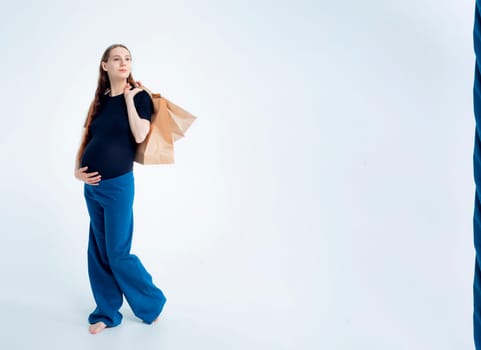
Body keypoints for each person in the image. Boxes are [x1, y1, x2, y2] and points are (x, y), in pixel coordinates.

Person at [74, 43, 167, 335]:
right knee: (99, 252)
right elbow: (88, 136)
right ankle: (107, 313)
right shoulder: (99, 101)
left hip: (118, 186)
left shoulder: (139, 97)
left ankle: (151, 303)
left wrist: (128, 99)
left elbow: (140, 133)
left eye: (127, 58)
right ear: (105, 65)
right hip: (93, 188)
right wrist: (77, 169)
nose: (123, 62)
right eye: (116, 58)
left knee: (117, 253)